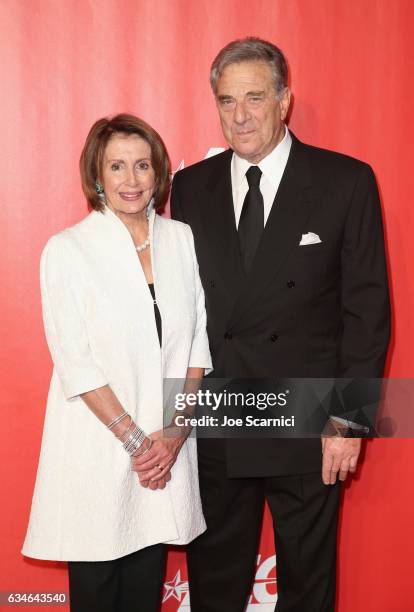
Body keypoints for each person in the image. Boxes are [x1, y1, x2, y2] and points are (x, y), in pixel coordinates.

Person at [171, 37, 390, 611]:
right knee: (215, 586)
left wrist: (349, 419)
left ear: (285, 100)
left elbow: (367, 313)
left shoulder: (346, 182)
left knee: (308, 590)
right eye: (226, 101)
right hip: (218, 416)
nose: (239, 116)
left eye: (254, 98)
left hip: (309, 418)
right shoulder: (191, 189)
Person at [22, 113, 212, 612]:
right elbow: (75, 362)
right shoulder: (68, 250)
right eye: (117, 167)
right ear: (97, 175)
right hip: (99, 449)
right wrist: (136, 442)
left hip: (162, 451)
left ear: (159, 173)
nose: (131, 180)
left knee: (144, 591)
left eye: (142, 165)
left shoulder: (181, 240)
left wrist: (173, 435)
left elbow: (196, 344)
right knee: (99, 590)